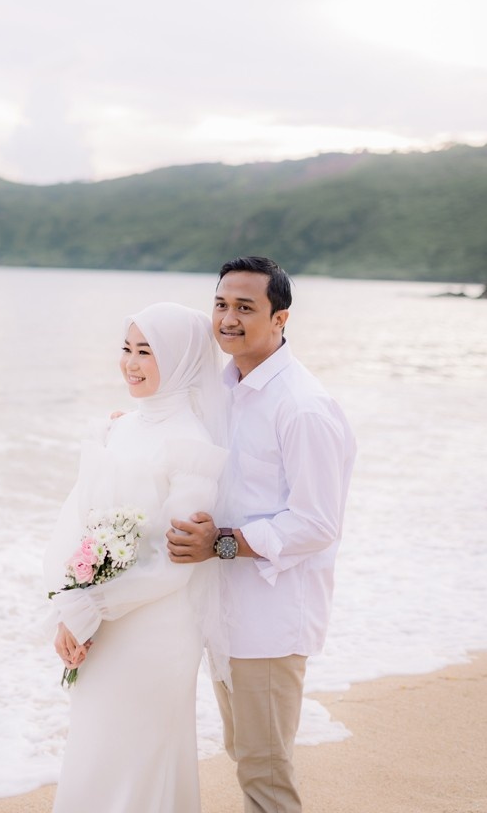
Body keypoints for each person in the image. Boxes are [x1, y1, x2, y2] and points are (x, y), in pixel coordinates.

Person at [167, 257, 356, 813]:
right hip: (225, 612)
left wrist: (220, 543)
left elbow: (316, 523)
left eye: (245, 307)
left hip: (271, 621)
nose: (228, 318)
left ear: (280, 318)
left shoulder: (302, 407)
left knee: (266, 771)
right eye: (221, 304)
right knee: (245, 753)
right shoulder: (224, 389)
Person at [44, 302, 229, 813]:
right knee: (95, 746)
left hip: (156, 629)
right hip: (101, 621)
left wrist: (92, 607)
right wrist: (68, 608)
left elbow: (176, 561)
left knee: (138, 754)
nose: (130, 363)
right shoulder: (117, 428)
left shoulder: (192, 444)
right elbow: (80, 521)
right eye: (126, 348)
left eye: (146, 351)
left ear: (182, 358)